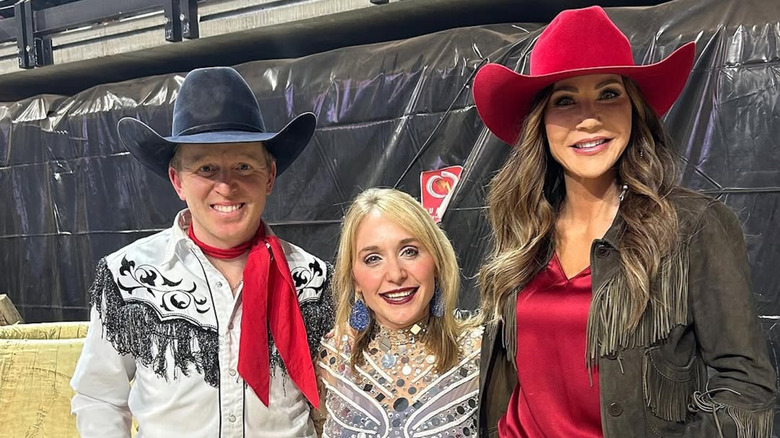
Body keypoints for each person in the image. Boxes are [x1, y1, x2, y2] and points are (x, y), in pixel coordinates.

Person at [471, 6, 776, 438]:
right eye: (565, 100)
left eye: (609, 93)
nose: (589, 117)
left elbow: (748, 388)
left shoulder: (692, 227)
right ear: (541, 122)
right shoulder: (524, 229)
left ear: (634, 109)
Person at [70, 66, 334, 437]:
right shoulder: (127, 277)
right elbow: (99, 398)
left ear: (270, 176)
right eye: (206, 168)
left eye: (244, 166)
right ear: (177, 180)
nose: (226, 186)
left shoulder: (314, 282)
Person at [315, 187, 483, 437]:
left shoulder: (481, 352)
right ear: (355, 279)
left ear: (436, 262)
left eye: (409, 252)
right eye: (373, 258)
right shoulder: (332, 356)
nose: (395, 274)